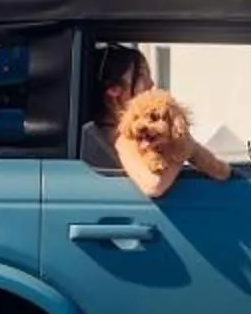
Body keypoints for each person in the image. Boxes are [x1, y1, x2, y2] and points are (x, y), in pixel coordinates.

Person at [85, 43, 231, 199]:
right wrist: (183, 147)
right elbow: (153, 185)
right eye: (142, 75)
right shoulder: (120, 139)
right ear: (114, 89)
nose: (151, 84)